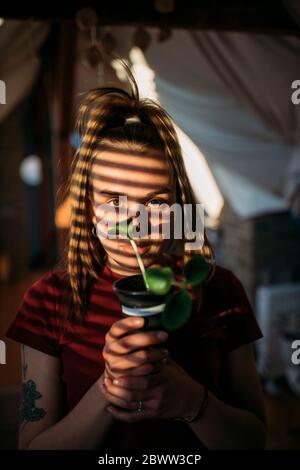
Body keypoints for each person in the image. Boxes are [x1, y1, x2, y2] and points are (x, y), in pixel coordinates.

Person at [6, 70, 266, 451]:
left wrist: (191, 401)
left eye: (156, 203)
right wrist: (108, 390)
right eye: (113, 200)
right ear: (91, 209)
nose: (135, 223)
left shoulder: (220, 290)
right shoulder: (49, 300)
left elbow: (254, 440)